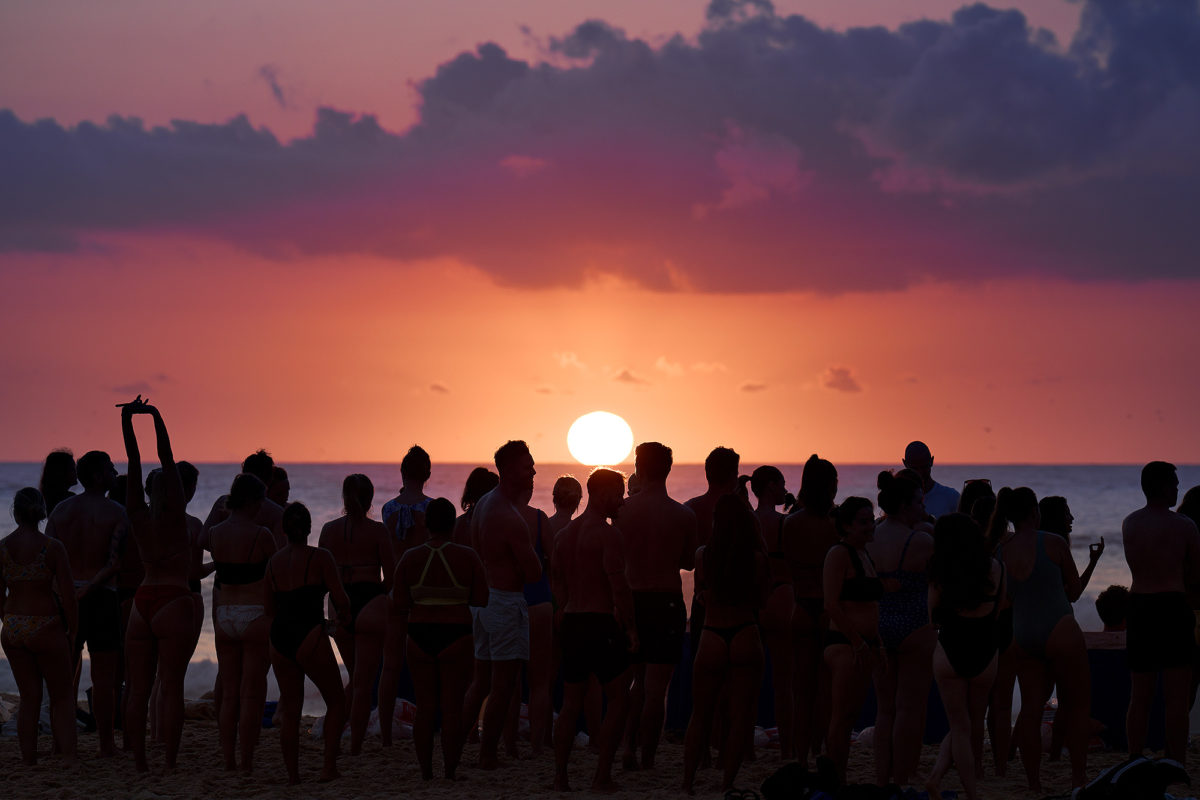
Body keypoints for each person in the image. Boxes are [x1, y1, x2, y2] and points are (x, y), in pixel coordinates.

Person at [991, 486, 1089, 792]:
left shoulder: (1001, 551)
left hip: (1023, 633)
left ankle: (1034, 783)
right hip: (1059, 627)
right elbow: (1072, 592)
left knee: (1031, 710)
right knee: (1075, 705)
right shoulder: (1055, 542)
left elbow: (1003, 601)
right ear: (1035, 512)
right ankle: (1078, 777)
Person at [119, 398, 197, 771]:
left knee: (138, 688)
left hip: (142, 601)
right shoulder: (176, 514)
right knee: (172, 686)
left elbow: (134, 463)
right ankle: (168, 761)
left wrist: (126, 419)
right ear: (174, 489)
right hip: (172, 599)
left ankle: (138, 762)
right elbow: (166, 456)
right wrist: (155, 416)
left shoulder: (136, 512)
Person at [553, 468, 637, 793]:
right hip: (599, 623)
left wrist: (563, 610)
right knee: (619, 699)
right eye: (618, 494)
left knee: (571, 702)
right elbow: (620, 588)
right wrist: (631, 629)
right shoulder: (607, 534)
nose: (622, 502)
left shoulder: (564, 535)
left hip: (572, 621)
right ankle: (602, 775)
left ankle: (561, 777)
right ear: (601, 494)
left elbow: (557, 581)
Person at [393, 497, 488, 780]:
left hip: (419, 636)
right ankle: (449, 771)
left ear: (426, 523)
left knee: (425, 708)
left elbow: (398, 603)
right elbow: (482, 598)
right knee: (451, 708)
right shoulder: (467, 556)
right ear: (452, 525)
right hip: (456, 635)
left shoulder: (411, 557)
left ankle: (425, 772)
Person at [461, 440, 542, 769]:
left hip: (483, 601)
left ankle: (456, 741)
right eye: (527, 467)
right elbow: (534, 572)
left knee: (481, 681)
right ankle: (488, 754)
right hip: (503, 602)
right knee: (503, 684)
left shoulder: (483, 505)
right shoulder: (508, 516)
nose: (534, 471)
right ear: (508, 471)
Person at [682, 494, 767, 794]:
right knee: (742, 716)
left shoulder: (703, 555)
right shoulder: (755, 557)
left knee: (700, 714)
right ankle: (726, 782)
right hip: (744, 631)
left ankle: (687, 783)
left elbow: (702, 591)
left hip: (712, 633)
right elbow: (761, 598)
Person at [620, 443, 697, 771]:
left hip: (630, 600)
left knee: (631, 683)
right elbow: (688, 561)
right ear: (668, 469)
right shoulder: (683, 515)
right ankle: (648, 757)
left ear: (639, 467)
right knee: (656, 689)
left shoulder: (620, 511)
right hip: (665, 601)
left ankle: (627, 749)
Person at [45, 448, 127, 757]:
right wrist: (89, 587)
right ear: (96, 476)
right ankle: (106, 745)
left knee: (63, 677)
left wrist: (66, 593)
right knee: (104, 680)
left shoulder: (61, 511)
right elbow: (114, 564)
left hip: (66, 598)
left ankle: (60, 744)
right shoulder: (116, 512)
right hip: (102, 598)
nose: (115, 472)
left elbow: (48, 562)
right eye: (109, 469)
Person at [266, 502, 350, 785]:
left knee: (290, 708)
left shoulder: (274, 562)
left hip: (279, 637)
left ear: (284, 530)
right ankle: (328, 768)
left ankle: (293, 776)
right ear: (309, 528)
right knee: (337, 701)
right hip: (310, 634)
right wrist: (338, 623)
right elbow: (341, 599)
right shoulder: (321, 557)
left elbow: (268, 608)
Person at [1121, 461, 1200, 762]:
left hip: (1140, 605)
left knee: (1140, 695)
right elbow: (1196, 574)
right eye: (1175, 484)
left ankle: (1134, 757)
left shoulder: (1130, 522)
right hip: (1172, 606)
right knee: (1176, 698)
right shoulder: (1184, 525)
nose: (1178, 490)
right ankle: (1175, 759)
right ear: (1164, 486)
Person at [925, 513, 1006, 800]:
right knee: (970, 722)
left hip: (950, 648)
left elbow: (932, 616)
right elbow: (998, 611)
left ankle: (959, 787)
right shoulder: (995, 567)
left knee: (959, 725)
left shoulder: (940, 570)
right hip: (984, 648)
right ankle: (955, 786)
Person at [203, 472, 277, 773]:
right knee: (251, 692)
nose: (263, 507)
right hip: (255, 615)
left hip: (224, 617)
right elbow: (276, 577)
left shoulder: (216, 534)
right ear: (250, 500)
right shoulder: (262, 535)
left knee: (230, 691)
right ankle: (246, 760)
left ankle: (229, 759)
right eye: (260, 500)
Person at [1, 487, 78, 765]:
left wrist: (9, 623)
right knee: (62, 696)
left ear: (16, 512)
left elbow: (0, 596)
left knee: (28, 696)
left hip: (12, 625)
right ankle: (68, 757)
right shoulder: (52, 547)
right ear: (42, 512)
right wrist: (72, 629)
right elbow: (68, 597)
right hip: (45, 623)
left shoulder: (2, 548)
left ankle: (28, 759)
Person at [318, 473, 394, 754]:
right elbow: (392, 576)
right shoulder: (378, 531)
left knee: (352, 676)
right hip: (369, 600)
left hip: (339, 603)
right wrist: (379, 600)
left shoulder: (328, 530)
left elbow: (320, 578)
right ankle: (355, 748)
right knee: (362, 683)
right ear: (371, 499)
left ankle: (333, 736)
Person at [870, 470, 935, 787]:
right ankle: (903, 776)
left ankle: (883, 778)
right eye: (920, 502)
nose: (923, 508)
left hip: (879, 625)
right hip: (914, 625)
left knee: (885, 711)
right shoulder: (920, 540)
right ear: (906, 506)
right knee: (909, 708)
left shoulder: (870, 536)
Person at [821, 496, 883, 783]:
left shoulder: (865, 554)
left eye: (871, 520)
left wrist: (875, 642)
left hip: (865, 646)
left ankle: (840, 776)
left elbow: (871, 606)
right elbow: (831, 604)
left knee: (851, 717)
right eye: (862, 522)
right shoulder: (839, 554)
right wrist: (857, 641)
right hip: (845, 645)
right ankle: (836, 779)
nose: (870, 526)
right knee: (841, 716)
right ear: (846, 525)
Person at [783, 454, 838, 765]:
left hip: (801, 605)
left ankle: (799, 756)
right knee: (827, 692)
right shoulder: (835, 524)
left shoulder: (791, 523)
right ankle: (823, 753)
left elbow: (788, 565)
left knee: (801, 691)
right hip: (829, 609)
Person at [743, 464, 795, 762]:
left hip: (754, 600)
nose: (785, 488)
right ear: (771, 486)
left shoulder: (748, 521)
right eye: (783, 483)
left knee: (750, 680)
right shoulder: (785, 523)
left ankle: (747, 748)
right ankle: (787, 749)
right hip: (783, 597)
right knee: (784, 683)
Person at [684, 447, 740, 662]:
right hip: (737, 601)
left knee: (704, 673)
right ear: (733, 476)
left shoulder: (691, 509)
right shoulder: (744, 513)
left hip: (703, 599)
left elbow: (687, 562)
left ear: (707, 474)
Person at [203, 450, 285, 546]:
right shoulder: (276, 512)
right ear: (270, 478)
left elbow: (203, 540)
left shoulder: (223, 502)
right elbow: (279, 551)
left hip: (222, 560)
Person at [1040, 496, 1105, 591]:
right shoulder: (1059, 546)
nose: (1072, 518)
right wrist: (1093, 561)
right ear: (1056, 518)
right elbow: (1073, 594)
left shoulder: (1035, 546)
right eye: (1067, 514)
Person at [381, 445, 433, 560]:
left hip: (397, 575)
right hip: (425, 575)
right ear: (428, 475)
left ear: (402, 472)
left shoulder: (388, 508)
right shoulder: (432, 508)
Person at [903, 441, 959, 520]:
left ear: (932, 461)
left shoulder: (951, 497)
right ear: (905, 464)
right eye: (915, 468)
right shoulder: (899, 503)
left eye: (924, 467)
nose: (920, 473)